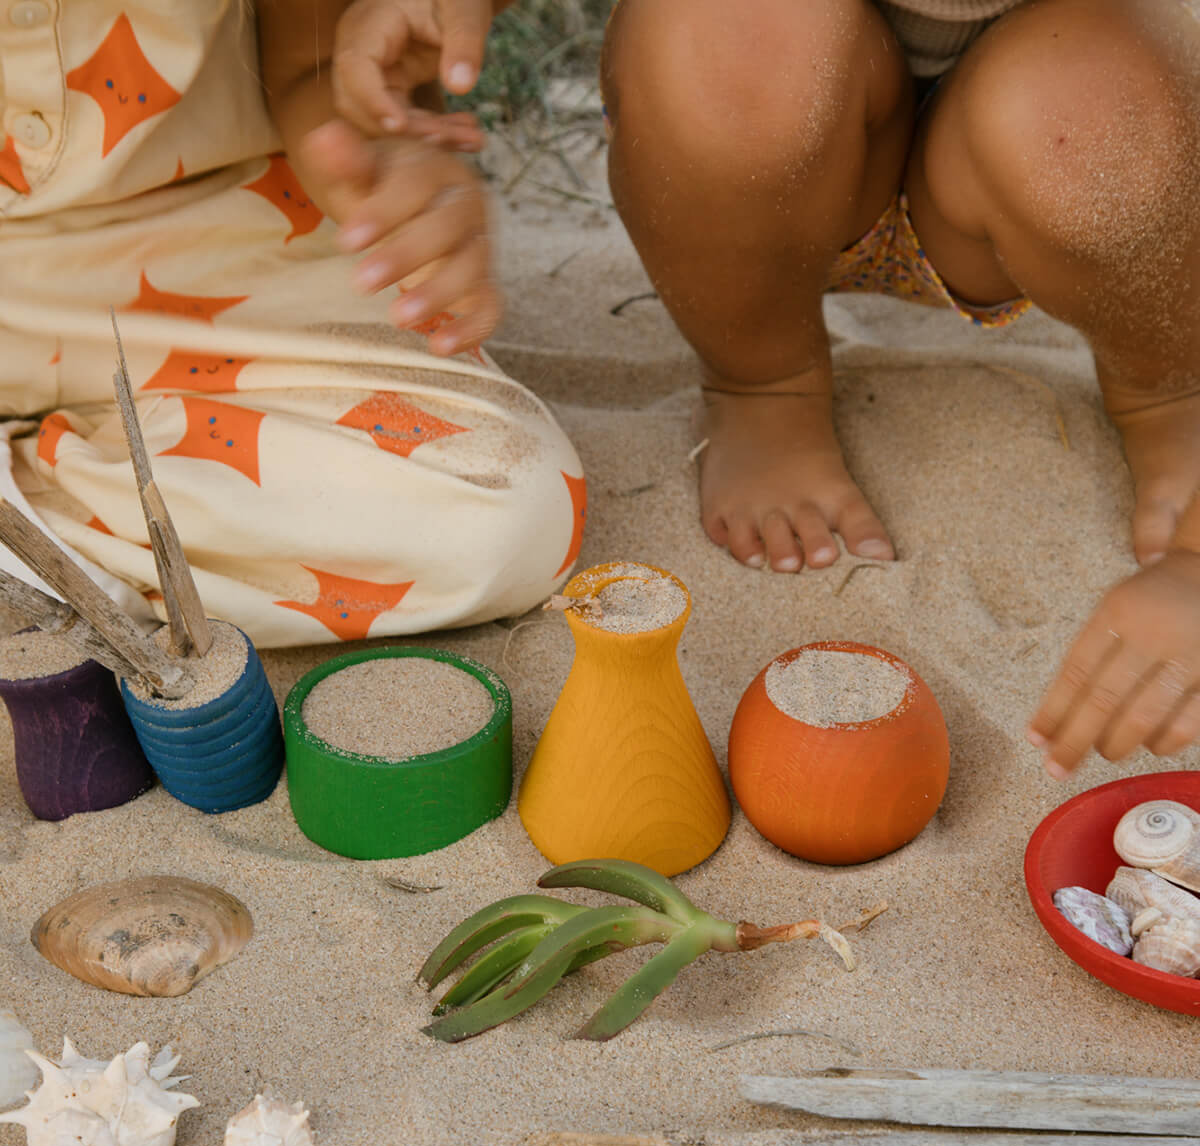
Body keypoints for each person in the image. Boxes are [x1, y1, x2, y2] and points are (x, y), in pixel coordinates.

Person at [329, 0, 1200, 782]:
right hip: (759, 133)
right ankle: (763, 380)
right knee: (727, 34)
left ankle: (1169, 384)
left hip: (1080, 119)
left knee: (1092, 122)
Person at [0, 0, 584, 651]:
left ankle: (32, 537)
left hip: (227, 239)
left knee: (508, 511)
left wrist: (381, 150)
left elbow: (311, 60)